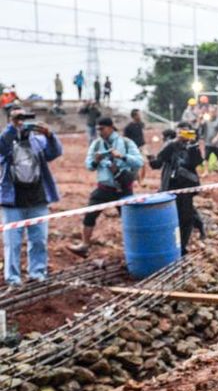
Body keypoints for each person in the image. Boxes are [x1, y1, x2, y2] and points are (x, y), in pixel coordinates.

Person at [0, 108, 62, 285]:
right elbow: (1, 146)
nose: (23, 122)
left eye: (25, 118)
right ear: (10, 119)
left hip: (37, 199)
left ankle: (37, 273)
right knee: (13, 243)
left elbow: (55, 152)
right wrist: (13, 127)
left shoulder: (38, 141)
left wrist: (50, 135)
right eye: (18, 117)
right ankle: (12, 278)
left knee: (38, 240)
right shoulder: (7, 141)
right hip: (13, 201)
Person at [69, 117, 144, 257]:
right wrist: (95, 162)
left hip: (124, 188)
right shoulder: (97, 144)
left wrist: (122, 157)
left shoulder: (126, 143)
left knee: (130, 219)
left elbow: (139, 162)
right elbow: (88, 165)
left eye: (102, 129)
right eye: (98, 129)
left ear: (110, 127)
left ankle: (135, 248)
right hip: (104, 188)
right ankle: (84, 245)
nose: (99, 132)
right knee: (90, 215)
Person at [149, 122, 203, 252]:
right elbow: (159, 160)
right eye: (180, 132)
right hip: (169, 188)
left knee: (186, 219)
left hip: (185, 190)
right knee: (169, 218)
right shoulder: (171, 146)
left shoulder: (192, 147)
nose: (182, 135)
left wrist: (192, 145)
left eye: (186, 132)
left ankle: (182, 247)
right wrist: (174, 143)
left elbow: (196, 162)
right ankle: (169, 244)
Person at [123, 109, 147, 183]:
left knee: (144, 164)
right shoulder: (128, 127)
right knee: (135, 165)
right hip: (133, 149)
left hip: (141, 147)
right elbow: (125, 139)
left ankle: (141, 180)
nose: (141, 116)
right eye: (139, 114)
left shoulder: (140, 124)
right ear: (134, 116)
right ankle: (135, 179)